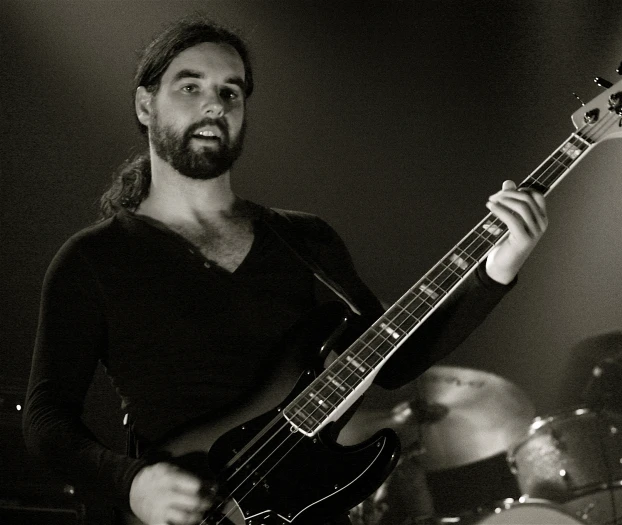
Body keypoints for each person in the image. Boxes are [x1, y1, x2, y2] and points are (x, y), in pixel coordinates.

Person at [23, 15, 548, 525]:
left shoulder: (304, 239)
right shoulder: (93, 259)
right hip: (193, 508)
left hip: (309, 507)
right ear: (145, 103)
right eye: (190, 87)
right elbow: (47, 421)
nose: (214, 104)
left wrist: (497, 268)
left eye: (231, 92)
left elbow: (392, 358)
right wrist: (132, 483)